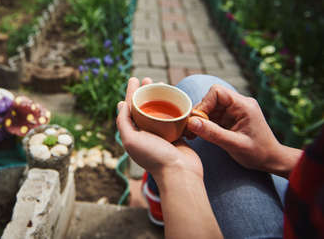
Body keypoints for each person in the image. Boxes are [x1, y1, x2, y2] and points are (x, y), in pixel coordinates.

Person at [116, 75, 323, 239]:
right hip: (309, 201)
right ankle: (156, 194)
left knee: (196, 88)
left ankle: (158, 196)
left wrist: (174, 170)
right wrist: (274, 156)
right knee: (199, 85)